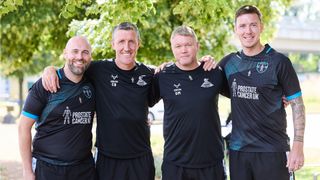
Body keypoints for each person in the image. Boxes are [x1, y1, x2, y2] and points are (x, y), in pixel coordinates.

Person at [42, 22, 216, 180]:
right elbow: (73, 67)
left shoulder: (150, 74)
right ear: (113, 45)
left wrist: (204, 61)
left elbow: (180, 71)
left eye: (132, 41)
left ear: (138, 44)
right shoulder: (98, 70)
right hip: (108, 158)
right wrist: (49, 69)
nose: (127, 47)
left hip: (140, 158)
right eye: (121, 41)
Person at [218, 5, 306, 180]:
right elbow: (202, 80)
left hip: (273, 150)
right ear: (235, 29)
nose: (248, 31)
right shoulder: (228, 63)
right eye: (242, 26)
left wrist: (298, 145)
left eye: (253, 24)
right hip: (238, 151)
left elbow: (298, 105)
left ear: (261, 27)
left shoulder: (279, 62)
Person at [152, 25, 228, 180]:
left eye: (188, 45)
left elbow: (241, 95)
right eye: (178, 46)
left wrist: (280, 97)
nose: (183, 50)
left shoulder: (214, 72)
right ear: (172, 48)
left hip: (211, 162)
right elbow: (141, 101)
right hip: (176, 164)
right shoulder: (163, 75)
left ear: (197, 46)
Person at [18, 36, 96, 180]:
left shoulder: (94, 83)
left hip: (83, 169)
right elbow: (23, 127)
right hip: (47, 168)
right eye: (75, 51)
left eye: (85, 52)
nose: (80, 57)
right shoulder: (46, 85)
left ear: (90, 56)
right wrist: (27, 171)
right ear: (65, 53)